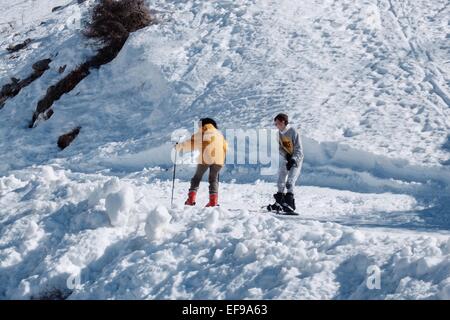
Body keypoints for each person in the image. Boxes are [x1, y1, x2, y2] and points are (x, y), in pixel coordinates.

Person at [175, 118, 228, 207]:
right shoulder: (219, 135)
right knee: (213, 179)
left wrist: (178, 147)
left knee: (197, 178)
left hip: (205, 158)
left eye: (200, 125)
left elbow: (191, 143)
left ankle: (191, 200)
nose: (199, 126)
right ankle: (213, 202)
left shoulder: (202, 132)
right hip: (219, 159)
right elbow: (225, 147)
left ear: (203, 124)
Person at [268, 113, 304, 213]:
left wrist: (293, 159)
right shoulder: (279, 133)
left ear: (283, 122)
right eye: (275, 124)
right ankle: (279, 202)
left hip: (296, 160)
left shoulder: (293, 131)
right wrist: (286, 155)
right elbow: (280, 147)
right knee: (280, 180)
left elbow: (299, 149)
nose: (276, 126)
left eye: (277, 123)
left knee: (290, 182)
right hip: (287, 159)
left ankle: (290, 204)